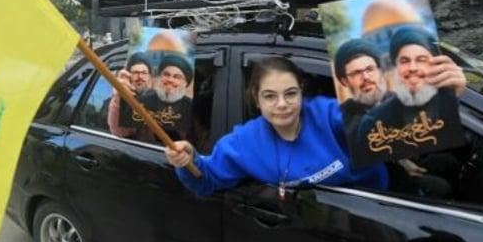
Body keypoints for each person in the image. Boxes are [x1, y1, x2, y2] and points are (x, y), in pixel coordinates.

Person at [164, 56, 390, 198]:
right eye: (269, 96)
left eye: (291, 93)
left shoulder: (330, 115)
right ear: (256, 99)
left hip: (377, 213)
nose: (282, 105)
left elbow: (388, 126)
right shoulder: (245, 142)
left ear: (302, 90)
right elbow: (206, 180)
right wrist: (187, 160)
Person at [354, 26, 466, 196]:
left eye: (421, 59)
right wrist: (401, 163)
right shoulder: (375, 116)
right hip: (392, 184)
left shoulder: (441, 95)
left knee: (447, 162)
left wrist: (454, 95)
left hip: (416, 158)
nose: (413, 68)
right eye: (405, 61)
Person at [134, 53, 194, 141]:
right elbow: (121, 132)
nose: (170, 80)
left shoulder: (192, 108)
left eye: (177, 77)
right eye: (166, 74)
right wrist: (118, 98)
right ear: (160, 77)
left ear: (185, 83)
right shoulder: (142, 102)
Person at [107, 52, 153, 139]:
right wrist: (118, 99)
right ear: (128, 76)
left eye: (144, 73)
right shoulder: (122, 101)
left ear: (149, 76)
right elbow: (120, 132)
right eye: (136, 73)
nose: (140, 77)